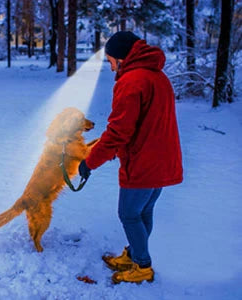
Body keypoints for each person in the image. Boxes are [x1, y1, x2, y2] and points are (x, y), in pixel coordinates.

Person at [78, 31, 183, 284]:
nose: (110, 65)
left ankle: (143, 266)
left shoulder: (131, 82)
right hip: (161, 160)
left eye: (111, 60)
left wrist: (89, 161)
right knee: (143, 211)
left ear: (123, 59)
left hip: (143, 163)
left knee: (128, 214)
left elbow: (118, 132)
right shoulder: (157, 76)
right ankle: (135, 254)